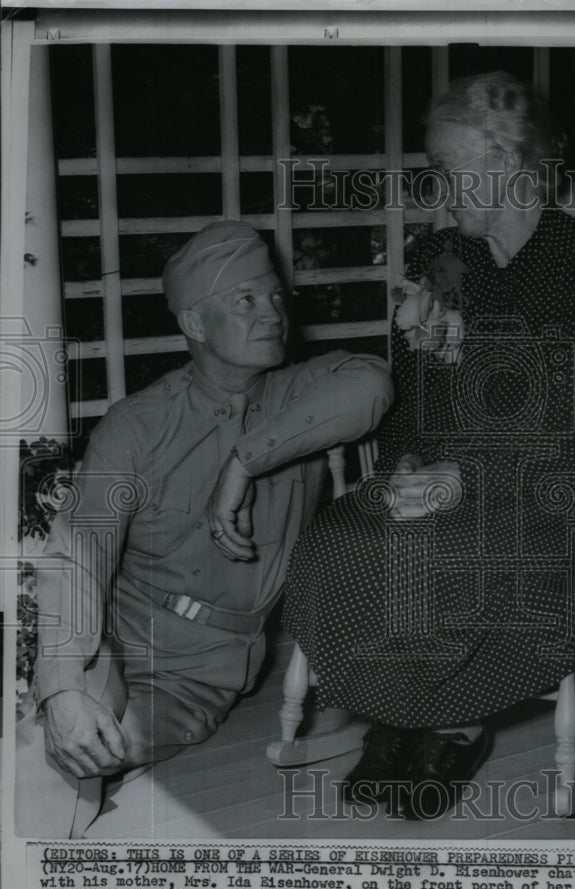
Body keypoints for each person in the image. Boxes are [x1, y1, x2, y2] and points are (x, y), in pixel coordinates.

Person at [262, 72, 575, 819]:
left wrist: (461, 478)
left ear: (509, 165)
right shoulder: (442, 260)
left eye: (448, 168)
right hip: (438, 481)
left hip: (546, 495)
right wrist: (408, 467)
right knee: (344, 539)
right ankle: (404, 709)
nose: (438, 186)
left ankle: (452, 716)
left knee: (447, 553)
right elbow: (408, 394)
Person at [17, 221, 393, 836]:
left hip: (198, 676)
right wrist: (60, 688)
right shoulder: (137, 426)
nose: (271, 312)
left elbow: (373, 383)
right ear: (194, 323)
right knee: (47, 752)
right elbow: (77, 557)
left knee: (79, 764)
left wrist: (246, 461)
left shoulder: (304, 392)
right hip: (108, 645)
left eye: (274, 296)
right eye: (245, 300)